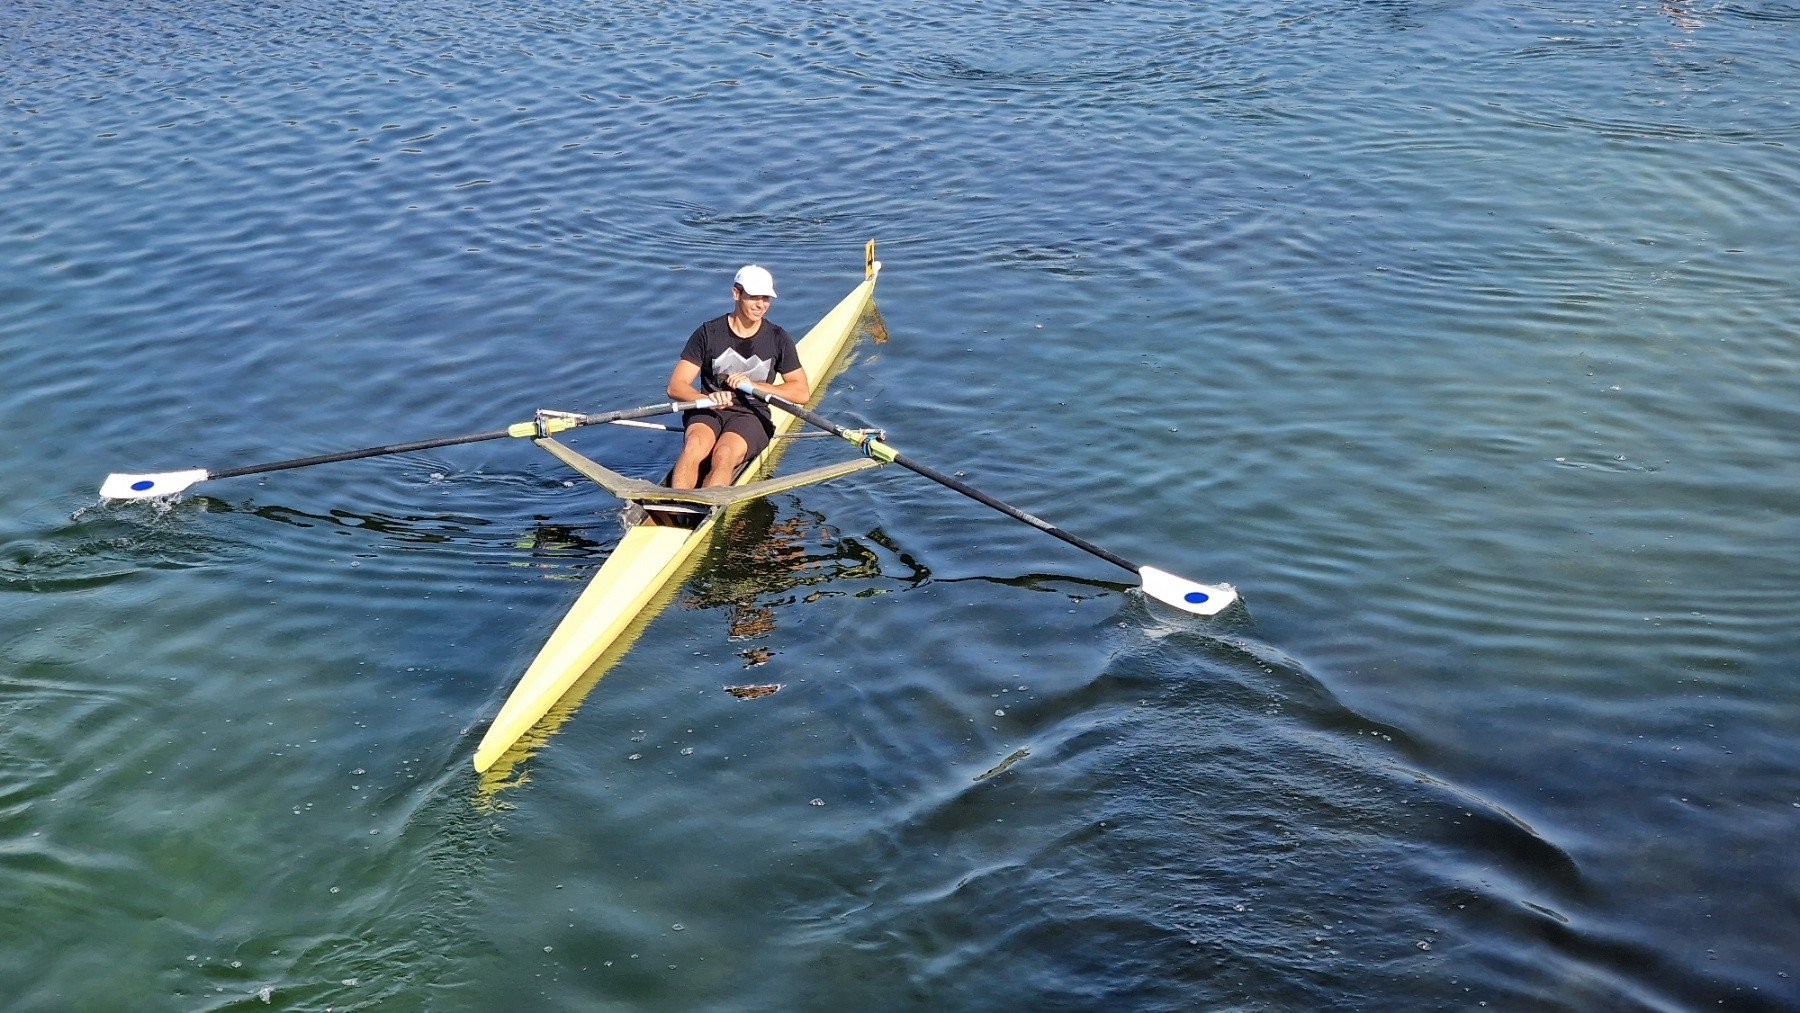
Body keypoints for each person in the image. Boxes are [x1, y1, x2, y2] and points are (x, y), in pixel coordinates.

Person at [666, 264, 811, 489]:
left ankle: (708, 510)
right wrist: (705, 399)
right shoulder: (708, 333)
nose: (761, 305)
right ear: (736, 293)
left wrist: (755, 385)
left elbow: (801, 393)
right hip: (709, 409)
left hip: (752, 414)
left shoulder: (778, 339)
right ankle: (675, 506)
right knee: (694, 446)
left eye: (766, 298)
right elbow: (676, 387)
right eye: (754, 297)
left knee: (723, 454)